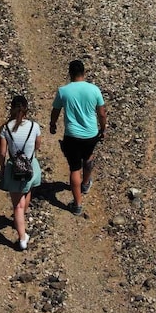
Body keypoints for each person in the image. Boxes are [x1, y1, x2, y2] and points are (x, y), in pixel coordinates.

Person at [49, 59, 106, 216]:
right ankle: (86, 183)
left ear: (70, 73)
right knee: (88, 157)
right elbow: (101, 113)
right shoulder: (94, 90)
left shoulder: (63, 91)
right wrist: (103, 129)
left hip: (72, 135)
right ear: (84, 72)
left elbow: (56, 110)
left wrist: (52, 124)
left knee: (74, 168)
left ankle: (78, 205)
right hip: (91, 133)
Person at [0, 94, 42, 250]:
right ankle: (21, 222)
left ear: (12, 109)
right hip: (30, 166)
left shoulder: (5, 128)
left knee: (17, 205)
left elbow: (2, 153)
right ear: (26, 110)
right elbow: (37, 146)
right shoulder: (34, 126)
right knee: (27, 191)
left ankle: (22, 239)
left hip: (14, 168)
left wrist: (3, 168)